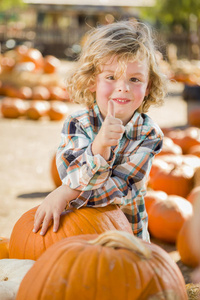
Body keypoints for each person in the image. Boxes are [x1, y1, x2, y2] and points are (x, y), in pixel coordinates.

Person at [33, 20, 167, 241]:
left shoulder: (148, 134)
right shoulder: (78, 124)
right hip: (79, 233)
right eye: (111, 77)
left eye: (135, 79)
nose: (123, 87)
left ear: (148, 86)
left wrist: (67, 193)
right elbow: (69, 172)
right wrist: (99, 147)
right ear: (92, 80)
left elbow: (120, 190)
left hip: (128, 237)